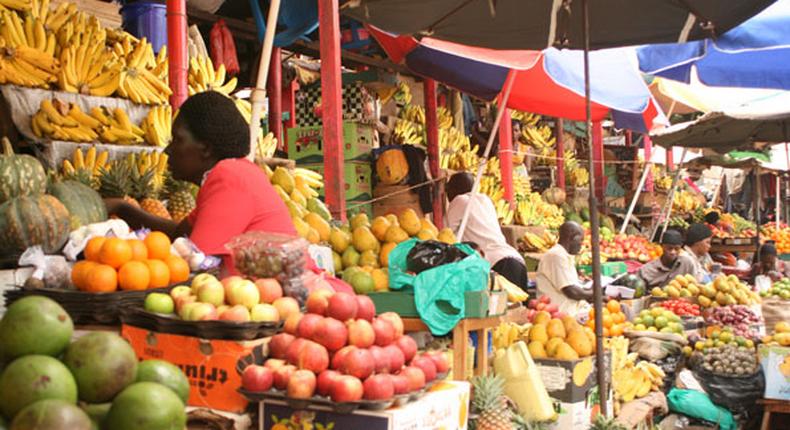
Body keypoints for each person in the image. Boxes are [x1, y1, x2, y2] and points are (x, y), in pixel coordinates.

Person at [106, 91, 296, 273]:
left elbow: (196, 260)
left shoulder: (228, 177)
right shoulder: (233, 173)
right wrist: (123, 208)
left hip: (288, 298)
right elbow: (180, 234)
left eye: (178, 139)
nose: (168, 150)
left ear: (205, 148)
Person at [445, 172, 528, 290]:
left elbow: (446, 234)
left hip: (498, 263)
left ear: (455, 189)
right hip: (515, 259)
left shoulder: (460, 201)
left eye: (448, 189)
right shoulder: (486, 200)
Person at [535, 221, 592, 316]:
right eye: (580, 240)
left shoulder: (564, 255)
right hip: (562, 316)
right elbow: (572, 292)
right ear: (571, 238)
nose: (581, 245)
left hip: (573, 311)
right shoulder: (556, 256)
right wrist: (595, 294)